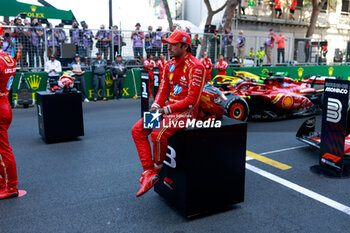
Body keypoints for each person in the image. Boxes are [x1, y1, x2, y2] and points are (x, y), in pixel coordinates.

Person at [131, 30, 205, 197]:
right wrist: (156, 105)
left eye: (173, 44)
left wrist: (165, 109)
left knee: (158, 134)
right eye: (168, 44)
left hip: (187, 113)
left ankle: (156, 170)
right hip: (167, 110)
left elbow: (192, 100)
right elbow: (163, 91)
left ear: (185, 46)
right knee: (137, 130)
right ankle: (149, 172)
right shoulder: (168, 65)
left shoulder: (196, 66)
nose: (169, 47)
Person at [0, 38, 19, 199]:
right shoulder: (9, 58)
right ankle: (4, 181)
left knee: (4, 149)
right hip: (5, 103)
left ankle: (11, 185)